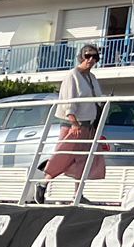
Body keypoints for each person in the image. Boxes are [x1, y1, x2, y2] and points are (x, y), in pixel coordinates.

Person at [36, 44, 106, 203]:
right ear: (81, 56)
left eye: (94, 57)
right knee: (64, 156)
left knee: (84, 159)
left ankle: (77, 193)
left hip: (89, 124)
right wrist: (74, 122)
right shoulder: (72, 75)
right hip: (75, 124)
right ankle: (43, 184)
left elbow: (96, 98)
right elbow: (69, 100)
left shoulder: (91, 77)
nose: (91, 60)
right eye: (87, 56)